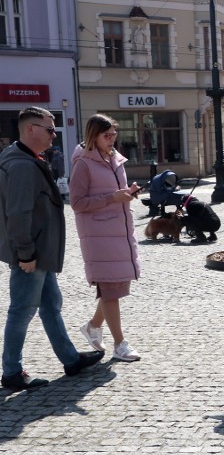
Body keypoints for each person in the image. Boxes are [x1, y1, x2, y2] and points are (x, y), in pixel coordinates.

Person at [0, 107, 104, 392]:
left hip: (40, 251)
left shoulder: (24, 157)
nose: (53, 135)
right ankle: (11, 372)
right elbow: (18, 214)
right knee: (22, 311)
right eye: (49, 129)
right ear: (30, 129)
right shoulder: (21, 165)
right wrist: (26, 254)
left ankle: (70, 359)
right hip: (32, 254)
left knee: (50, 306)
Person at [70, 114, 143, 362]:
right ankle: (120, 343)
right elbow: (77, 203)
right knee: (110, 289)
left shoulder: (115, 160)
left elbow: (114, 194)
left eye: (114, 134)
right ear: (94, 135)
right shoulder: (83, 164)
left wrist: (128, 194)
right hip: (98, 235)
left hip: (119, 231)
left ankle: (92, 326)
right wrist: (113, 197)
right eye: (107, 135)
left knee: (116, 285)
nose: (112, 139)